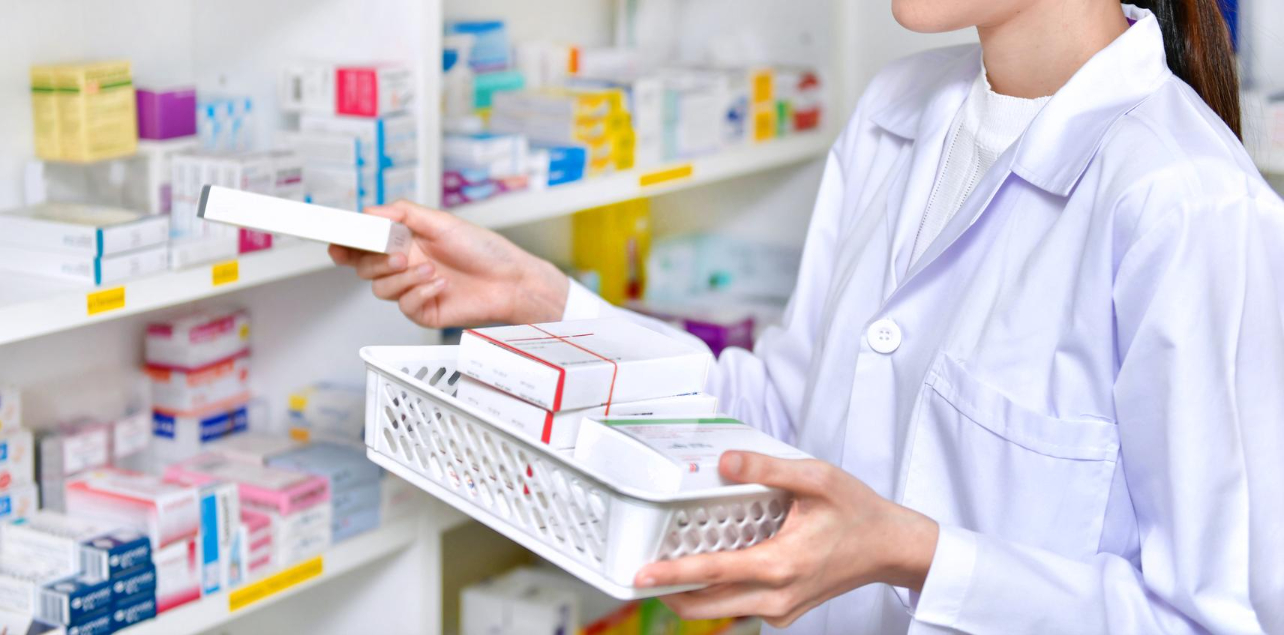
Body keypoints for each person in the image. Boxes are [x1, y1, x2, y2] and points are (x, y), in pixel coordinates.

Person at [332, 0, 1284, 632]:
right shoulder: (894, 112)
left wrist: (912, 553)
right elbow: (783, 422)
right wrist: (545, 301)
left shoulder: (1185, 203)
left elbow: (1214, 619)